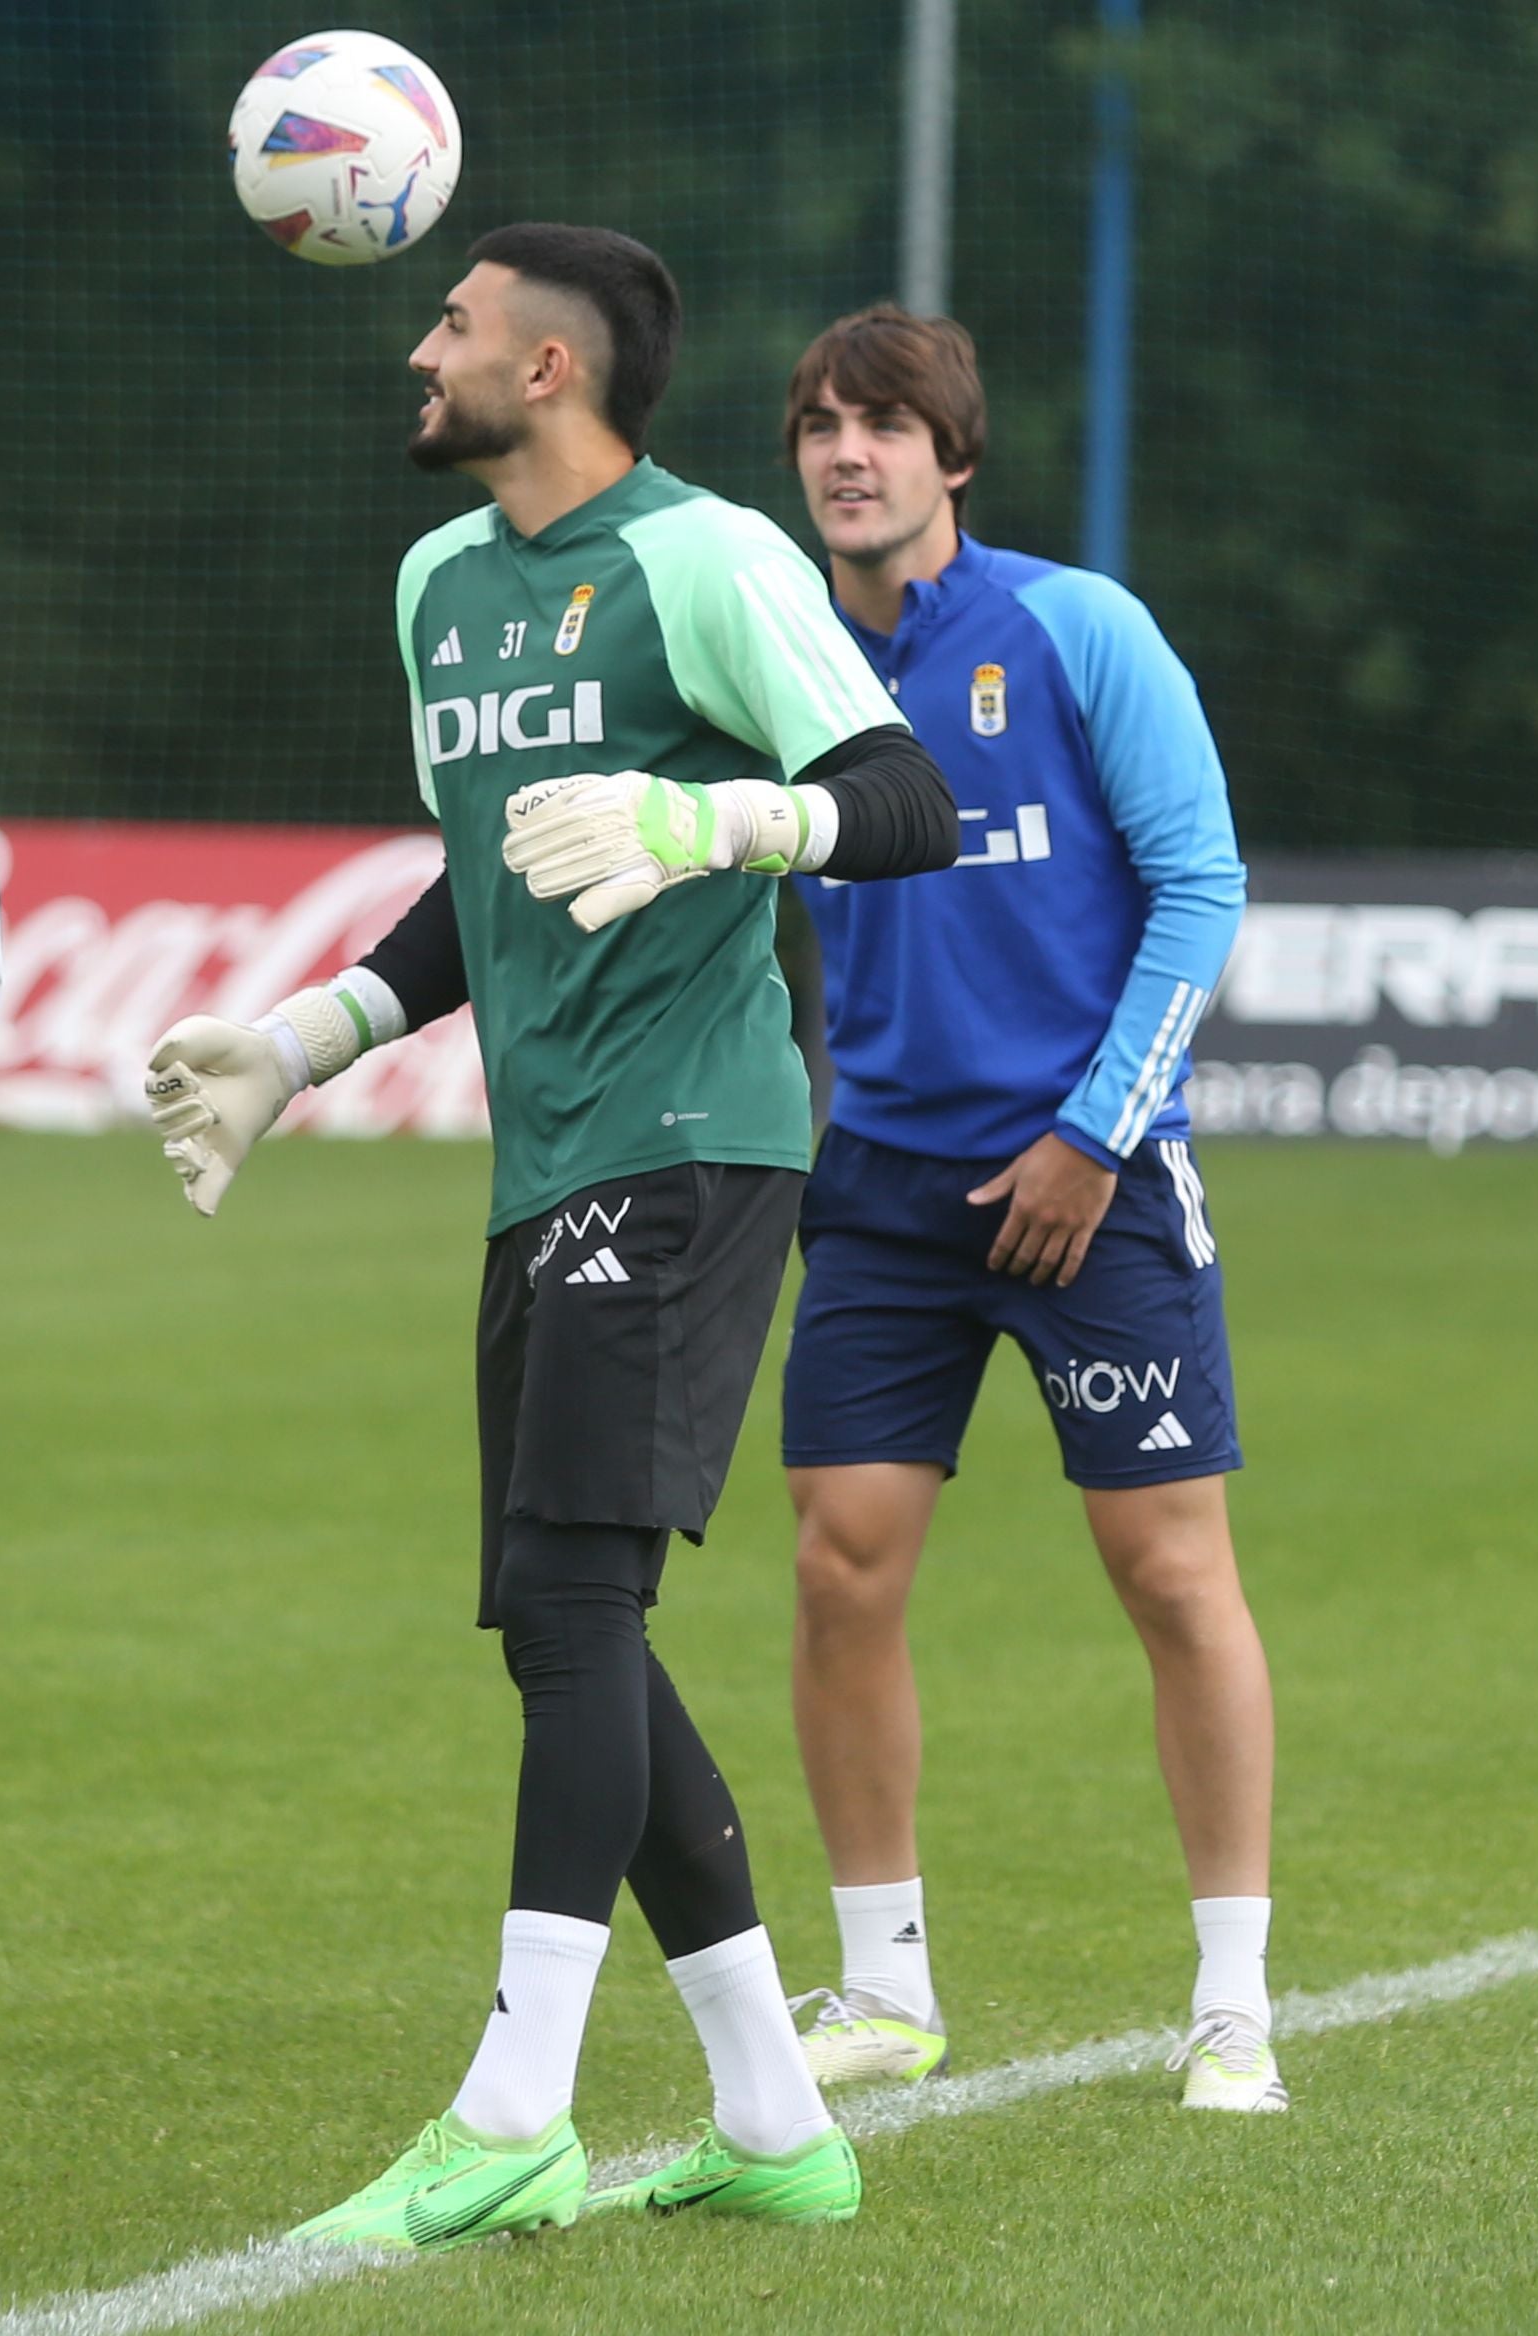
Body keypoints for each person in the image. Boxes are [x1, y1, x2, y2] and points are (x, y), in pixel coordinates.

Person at [144, 229, 959, 2245]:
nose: (420, 350)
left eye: (452, 325)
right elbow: (476, 884)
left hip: (699, 1140)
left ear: (555, 362)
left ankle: (514, 2109)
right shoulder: (437, 582)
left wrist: (708, 822)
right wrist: (303, 1037)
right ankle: (776, 2123)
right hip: (550, 1156)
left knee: (576, 1608)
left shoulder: (708, 560)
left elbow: (902, 797)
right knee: (556, 1615)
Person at [778, 304, 1286, 2114]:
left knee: (1168, 1574)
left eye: (883, 425)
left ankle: (1234, 2002)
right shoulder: (787, 668)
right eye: (823, 427)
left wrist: (1095, 1134)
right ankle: (883, 1988)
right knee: (840, 1565)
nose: (848, 453)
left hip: (1100, 1176)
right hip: (887, 1186)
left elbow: (1200, 881)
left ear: (953, 454)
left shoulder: (1081, 627)